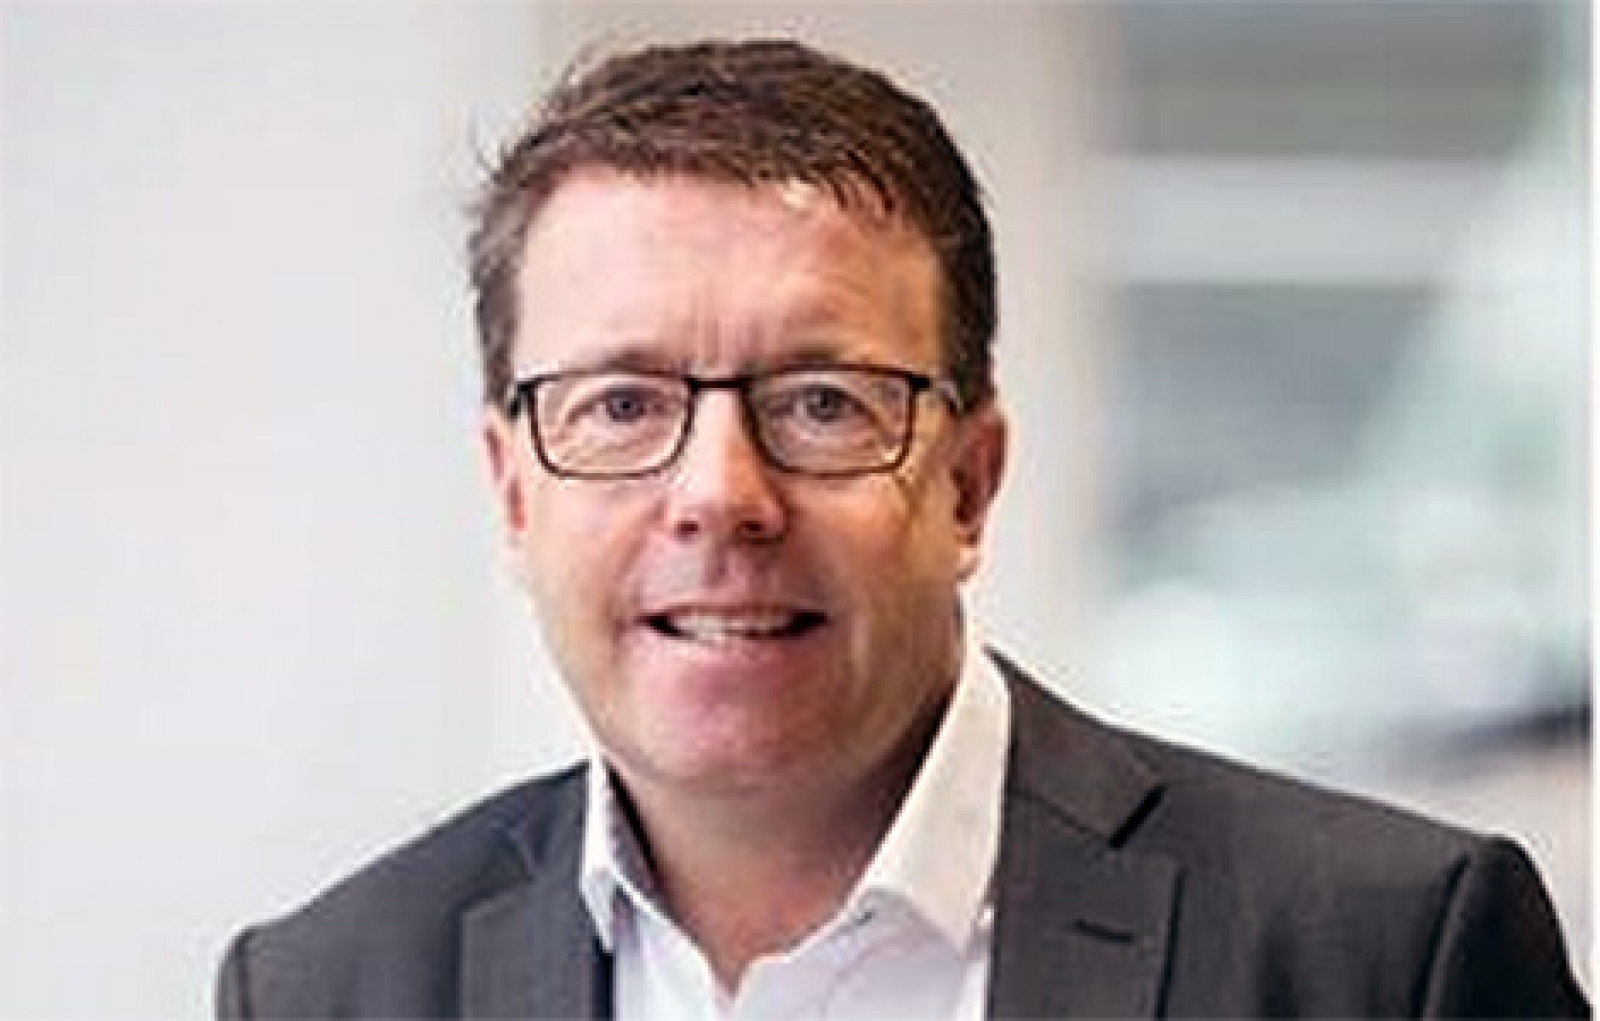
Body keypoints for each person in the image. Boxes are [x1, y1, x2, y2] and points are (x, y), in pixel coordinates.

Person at [216, 38, 1587, 1019]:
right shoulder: (327, 990)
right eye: (621, 404)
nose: (720, 494)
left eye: (822, 402)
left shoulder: (1384, 958)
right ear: (516, 493)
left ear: (969, 484)